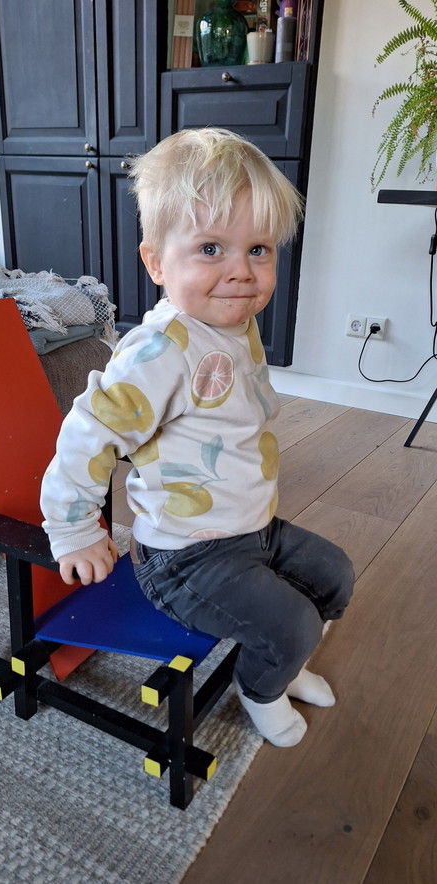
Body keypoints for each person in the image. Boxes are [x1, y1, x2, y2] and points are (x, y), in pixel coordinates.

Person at [40, 127, 354, 747]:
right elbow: (88, 434)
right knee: (291, 622)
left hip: (250, 529)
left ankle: (281, 661)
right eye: (211, 249)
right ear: (156, 261)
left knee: (334, 574)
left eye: (258, 249)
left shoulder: (232, 325)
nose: (241, 272)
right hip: (184, 558)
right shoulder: (159, 352)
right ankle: (261, 684)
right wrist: (73, 528)